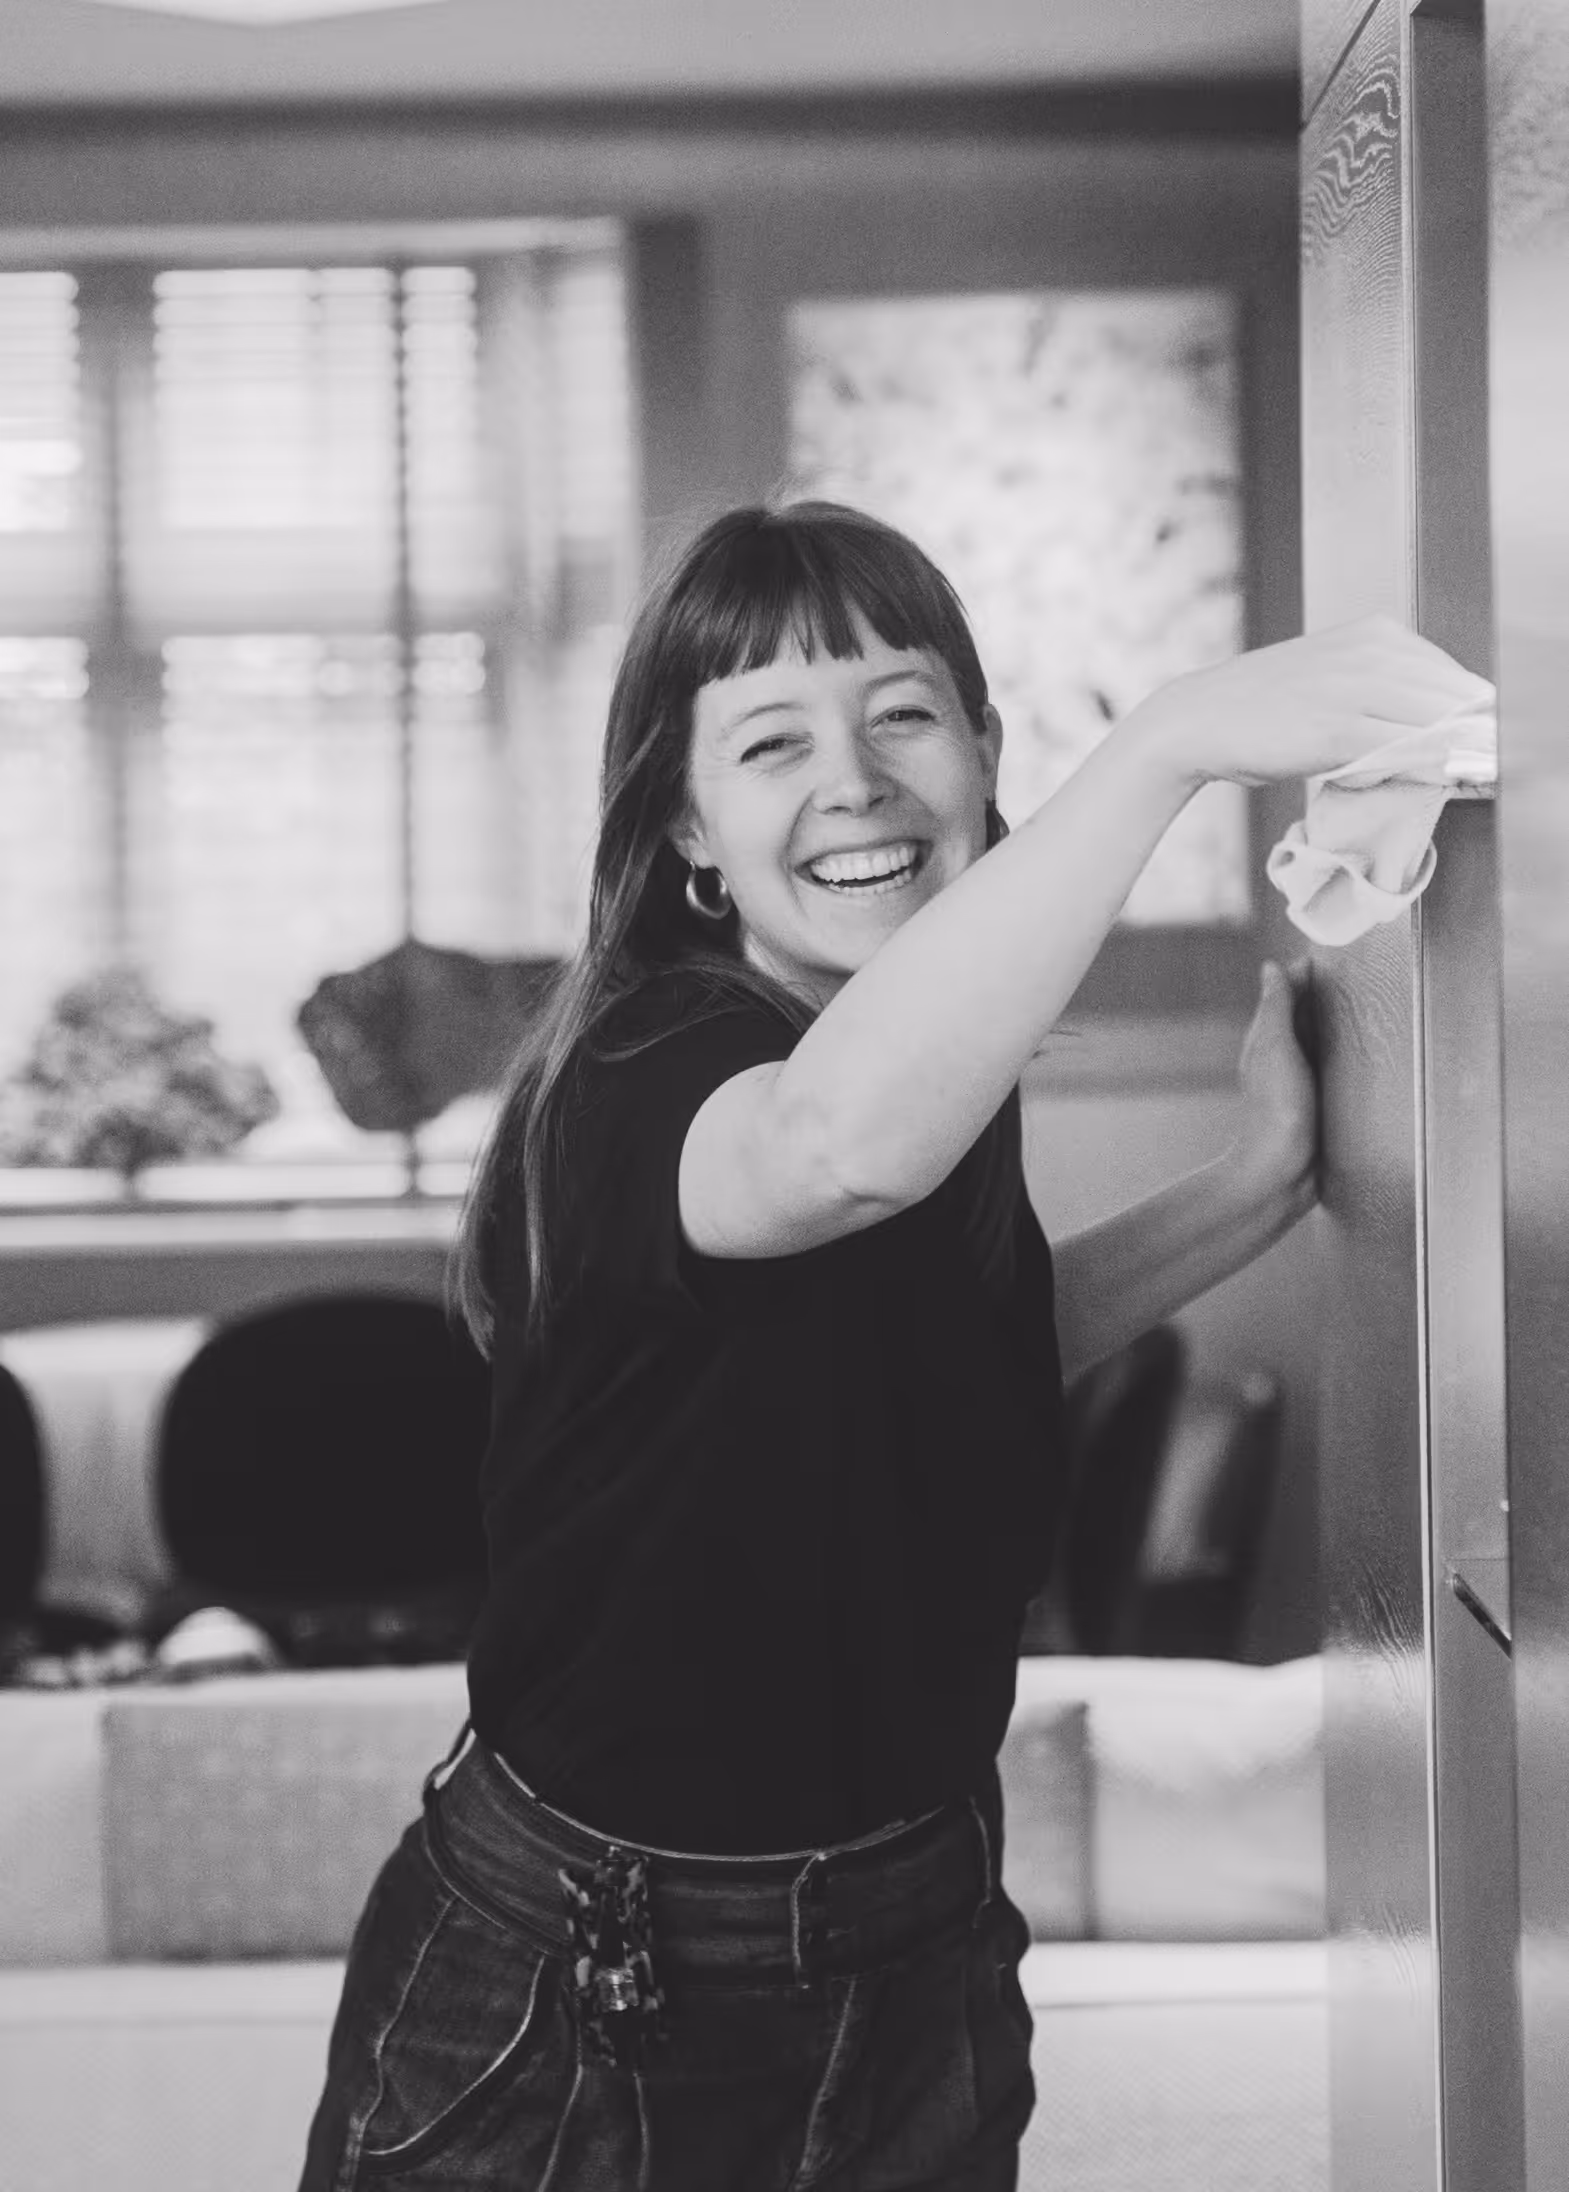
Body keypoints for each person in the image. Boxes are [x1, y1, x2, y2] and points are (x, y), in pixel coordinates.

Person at [299, 501, 1483, 2192]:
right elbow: (829, 1151)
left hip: (917, 1938)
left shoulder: (922, 1051)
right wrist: (1168, 746)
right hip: (586, 1981)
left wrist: (1257, 1184)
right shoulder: (645, 1066)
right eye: (771, 742)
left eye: (903, 714)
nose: (854, 781)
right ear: (692, 835)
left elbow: (956, 1351)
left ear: (982, 753)